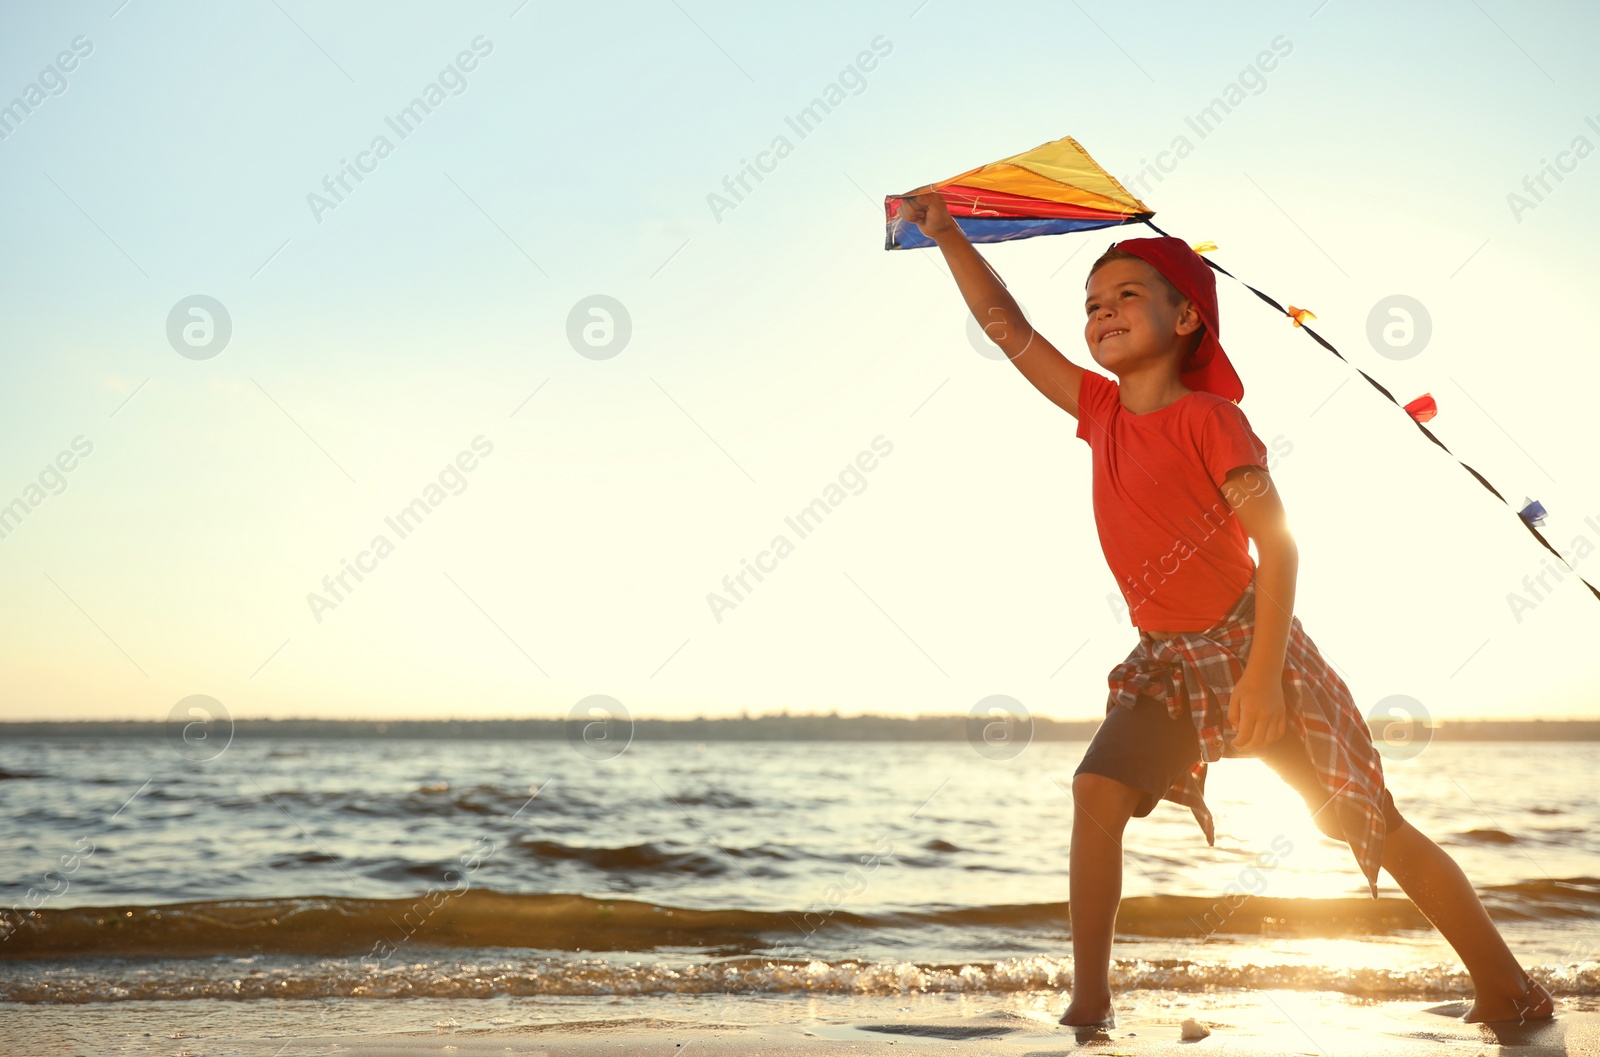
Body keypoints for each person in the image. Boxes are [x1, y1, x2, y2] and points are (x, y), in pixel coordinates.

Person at [894, 188, 1556, 1029]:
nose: (1101, 314)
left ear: (1184, 320)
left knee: (1371, 823)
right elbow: (1005, 324)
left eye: (1125, 295)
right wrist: (948, 233)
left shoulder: (1214, 419)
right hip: (1166, 659)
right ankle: (1090, 1000)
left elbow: (1279, 547)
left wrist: (1266, 680)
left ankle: (1507, 984)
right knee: (1095, 789)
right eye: (1091, 305)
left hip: (1256, 644)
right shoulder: (1097, 413)